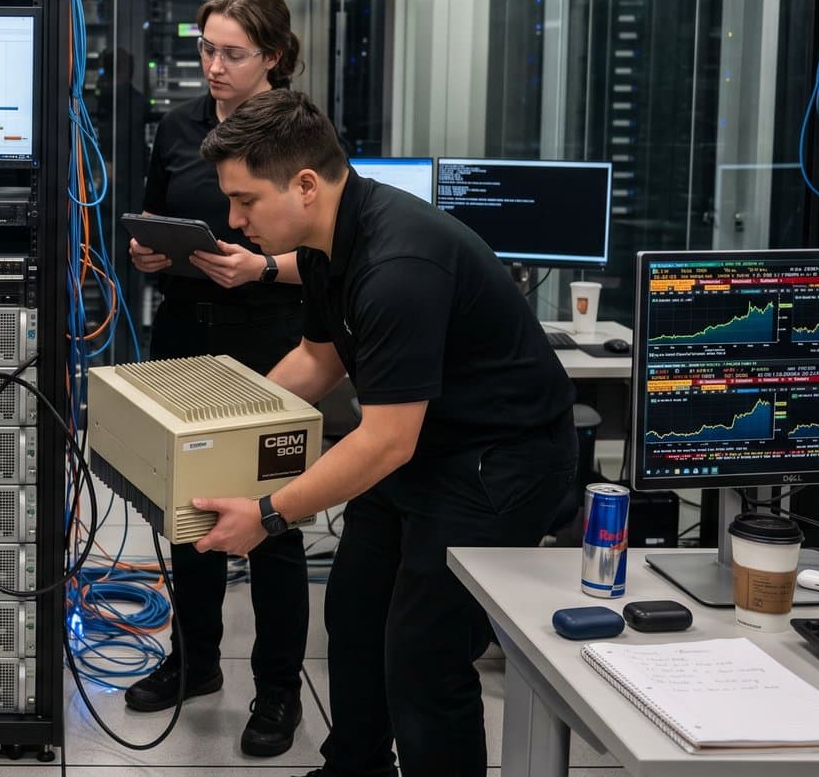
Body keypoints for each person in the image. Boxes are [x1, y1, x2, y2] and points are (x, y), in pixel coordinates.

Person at [188, 90, 577, 777]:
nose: (233, 218)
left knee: (423, 652)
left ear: (305, 184)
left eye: (245, 199)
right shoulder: (323, 243)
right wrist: (221, 426)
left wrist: (270, 513)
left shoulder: (397, 266)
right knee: (355, 613)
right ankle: (356, 769)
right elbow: (319, 357)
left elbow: (387, 439)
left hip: (500, 462)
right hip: (426, 445)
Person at [121, 0, 310, 758]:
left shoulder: (302, 133)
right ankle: (196, 661)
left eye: (232, 52)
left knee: (272, 520)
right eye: (206, 49)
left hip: (269, 345)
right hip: (184, 336)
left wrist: (262, 269)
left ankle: (277, 691)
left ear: (271, 55)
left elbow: (331, 255)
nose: (214, 66)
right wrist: (145, 253)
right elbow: (155, 212)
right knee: (190, 513)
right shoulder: (179, 125)